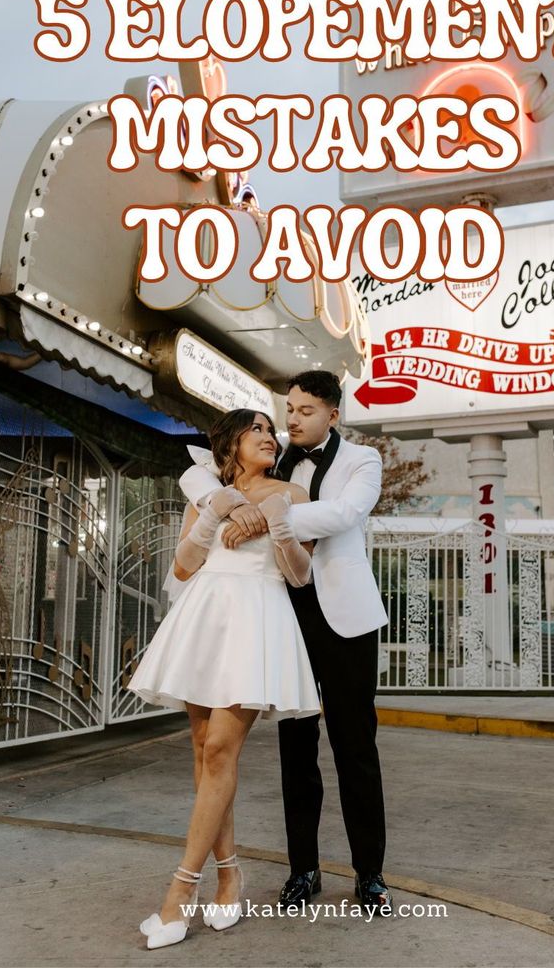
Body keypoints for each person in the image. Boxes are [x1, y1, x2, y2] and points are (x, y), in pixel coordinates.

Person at [180, 370, 393, 915]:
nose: (291, 419)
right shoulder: (270, 459)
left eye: (303, 410)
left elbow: (345, 514)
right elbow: (200, 479)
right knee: (295, 751)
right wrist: (238, 503)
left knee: (355, 748)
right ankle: (304, 870)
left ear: (332, 414)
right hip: (284, 614)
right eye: (288, 409)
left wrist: (265, 515)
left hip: (345, 618)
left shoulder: (361, 460)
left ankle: (370, 874)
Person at [128, 408, 320, 950]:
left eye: (270, 431)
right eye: (255, 429)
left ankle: (179, 893)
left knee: (219, 752)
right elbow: (184, 567)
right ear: (231, 442)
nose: (268, 437)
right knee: (201, 749)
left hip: (258, 618)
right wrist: (215, 513)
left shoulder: (292, 493)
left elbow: (301, 575)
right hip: (206, 615)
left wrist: (276, 523)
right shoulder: (208, 492)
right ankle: (230, 875)